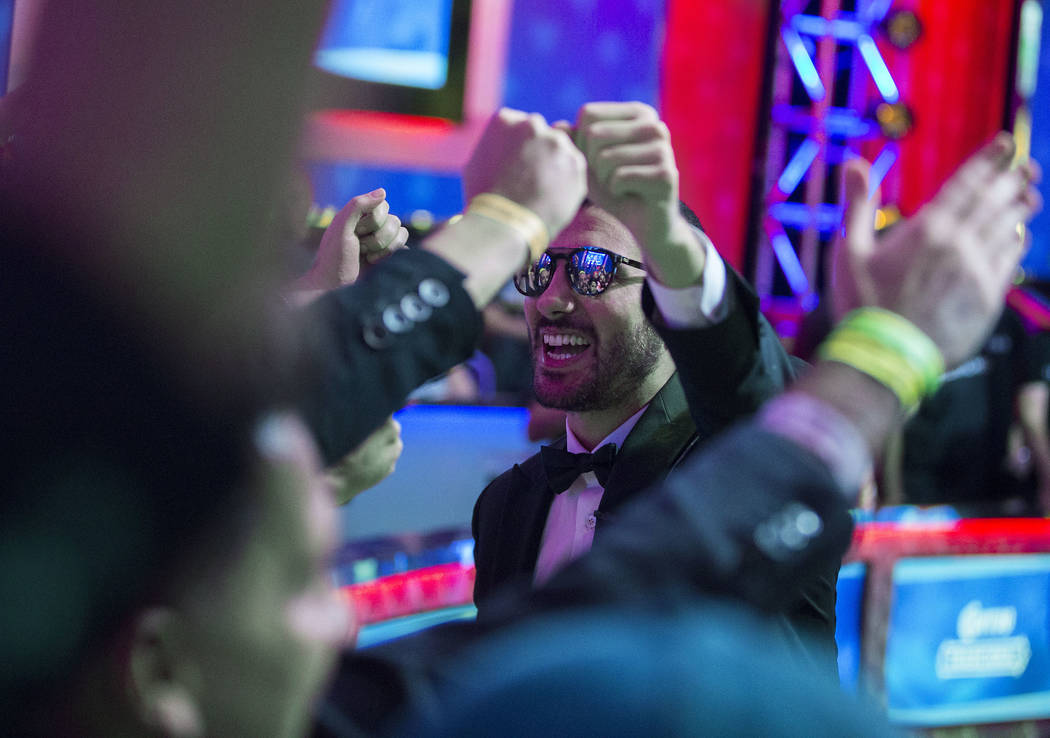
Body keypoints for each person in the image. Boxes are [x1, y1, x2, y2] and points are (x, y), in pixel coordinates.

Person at [469, 101, 836, 669]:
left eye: (592, 269)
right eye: (539, 269)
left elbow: (771, 397)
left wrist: (663, 233)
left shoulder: (738, 477)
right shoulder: (504, 505)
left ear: (664, 295)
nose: (551, 300)